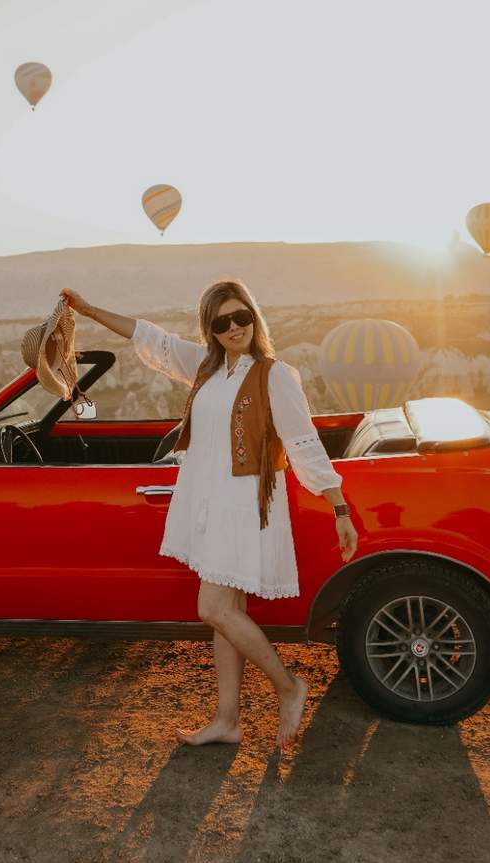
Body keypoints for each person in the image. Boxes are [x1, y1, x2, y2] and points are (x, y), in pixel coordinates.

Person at [60, 280, 357, 751]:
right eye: (223, 322)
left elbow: (303, 443)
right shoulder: (206, 369)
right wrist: (91, 310)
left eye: (244, 317)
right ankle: (226, 721)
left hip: (245, 505)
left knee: (212, 608)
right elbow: (150, 338)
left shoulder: (274, 374)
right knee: (226, 614)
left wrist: (338, 504)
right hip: (210, 501)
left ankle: (289, 687)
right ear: (211, 330)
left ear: (255, 319)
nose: (236, 327)